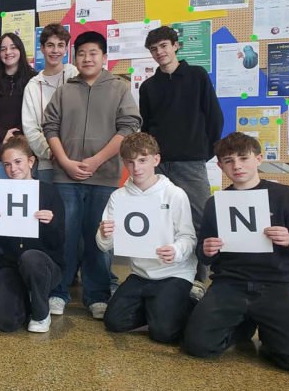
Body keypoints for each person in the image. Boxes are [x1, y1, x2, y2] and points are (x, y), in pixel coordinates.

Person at [184, 132, 289, 373]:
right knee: (198, 346)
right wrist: (207, 249)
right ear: (220, 166)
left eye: (243, 158)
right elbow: (203, 253)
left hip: (275, 285)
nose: (237, 166)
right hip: (229, 284)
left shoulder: (286, 196)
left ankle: (267, 333)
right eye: (228, 161)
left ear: (259, 159)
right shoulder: (215, 203)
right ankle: (243, 324)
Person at [43, 31, 141, 319]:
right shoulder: (64, 90)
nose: (87, 58)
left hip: (105, 177)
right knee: (64, 236)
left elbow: (128, 127)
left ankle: (97, 294)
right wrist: (65, 162)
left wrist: (97, 161)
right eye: (82, 53)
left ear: (104, 57)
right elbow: (50, 127)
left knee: (99, 238)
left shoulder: (119, 88)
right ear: (75, 58)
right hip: (66, 178)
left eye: (93, 53)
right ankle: (58, 291)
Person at [139, 25, 223, 300]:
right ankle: (166, 273)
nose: (159, 52)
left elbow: (215, 118)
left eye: (164, 46)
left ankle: (199, 278)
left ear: (175, 45)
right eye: (154, 49)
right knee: (161, 220)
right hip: (159, 166)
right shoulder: (149, 87)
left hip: (192, 163)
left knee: (199, 220)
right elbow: (146, 128)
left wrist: (202, 153)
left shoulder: (197, 76)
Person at [96, 133, 196, 343]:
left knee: (164, 334)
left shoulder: (175, 194)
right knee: (114, 322)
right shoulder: (119, 197)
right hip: (140, 274)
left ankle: (187, 303)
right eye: (130, 162)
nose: (136, 168)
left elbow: (188, 237)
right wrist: (104, 234)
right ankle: (157, 309)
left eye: (143, 160)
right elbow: (104, 246)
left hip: (174, 273)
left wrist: (176, 250)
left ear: (156, 160)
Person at [0, 135, 66, 333]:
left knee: (31, 258)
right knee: (5, 322)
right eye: (7, 164)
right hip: (11, 264)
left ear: (31, 161)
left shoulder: (49, 192)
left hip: (44, 266)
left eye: (18, 162)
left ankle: (41, 313)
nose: (13, 169)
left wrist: (51, 223)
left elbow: (59, 242)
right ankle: (26, 299)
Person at [0, 33, 36, 192]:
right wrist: (3, 135)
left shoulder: (34, 80)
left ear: (20, 50)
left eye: (13, 47)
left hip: (24, 153)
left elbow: (37, 116)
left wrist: (16, 137)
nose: (8, 52)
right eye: (3, 49)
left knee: (25, 200)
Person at [22, 24, 77, 185]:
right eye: (50, 45)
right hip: (48, 164)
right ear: (42, 48)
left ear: (66, 49)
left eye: (60, 45)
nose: (55, 51)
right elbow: (30, 129)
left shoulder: (75, 75)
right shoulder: (32, 86)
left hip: (77, 159)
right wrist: (52, 153)